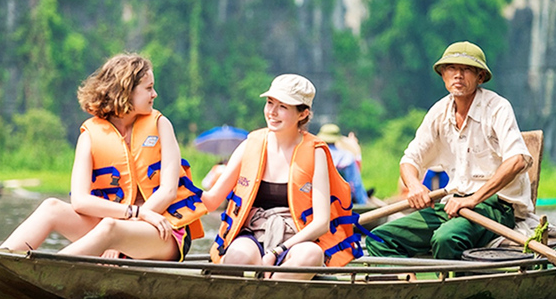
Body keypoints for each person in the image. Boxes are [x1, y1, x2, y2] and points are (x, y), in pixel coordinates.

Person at [0, 53, 206, 261]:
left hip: (164, 232)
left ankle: (42, 270)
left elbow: (169, 191)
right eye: (148, 88)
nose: (155, 94)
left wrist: (123, 232)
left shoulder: (161, 125)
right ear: (125, 91)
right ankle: (0, 260)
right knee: (50, 207)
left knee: (110, 227)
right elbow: (80, 201)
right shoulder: (90, 136)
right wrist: (133, 214)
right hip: (116, 228)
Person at [366, 41, 534, 260]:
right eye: (452, 69)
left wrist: (473, 199)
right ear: (443, 75)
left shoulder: (497, 108)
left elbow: (517, 161)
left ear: (480, 77)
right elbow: (410, 159)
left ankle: (450, 291)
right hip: (453, 204)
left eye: (466, 70)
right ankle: (407, 285)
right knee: (379, 238)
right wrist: (415, 186)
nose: (458, 75)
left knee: (446, 238)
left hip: (495, 206)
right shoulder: (439, 112)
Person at [201, 74, 364, 280]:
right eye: (270, 103)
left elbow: (321, 223)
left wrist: (276, 252)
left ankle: (272, 298)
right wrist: (177, 189)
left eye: (283, 107)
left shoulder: (316, 152)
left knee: (312, 254)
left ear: (302, 114)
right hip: (254, 232)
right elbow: (212, 199)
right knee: (236, 255)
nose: (272, 112)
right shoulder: (251, 144)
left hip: (296, 239)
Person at [315, 123, 370, 205]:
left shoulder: (314, 154)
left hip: (319, 199)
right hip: (343, 201)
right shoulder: (347, 156)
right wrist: (362, 203)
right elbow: (355, 183)